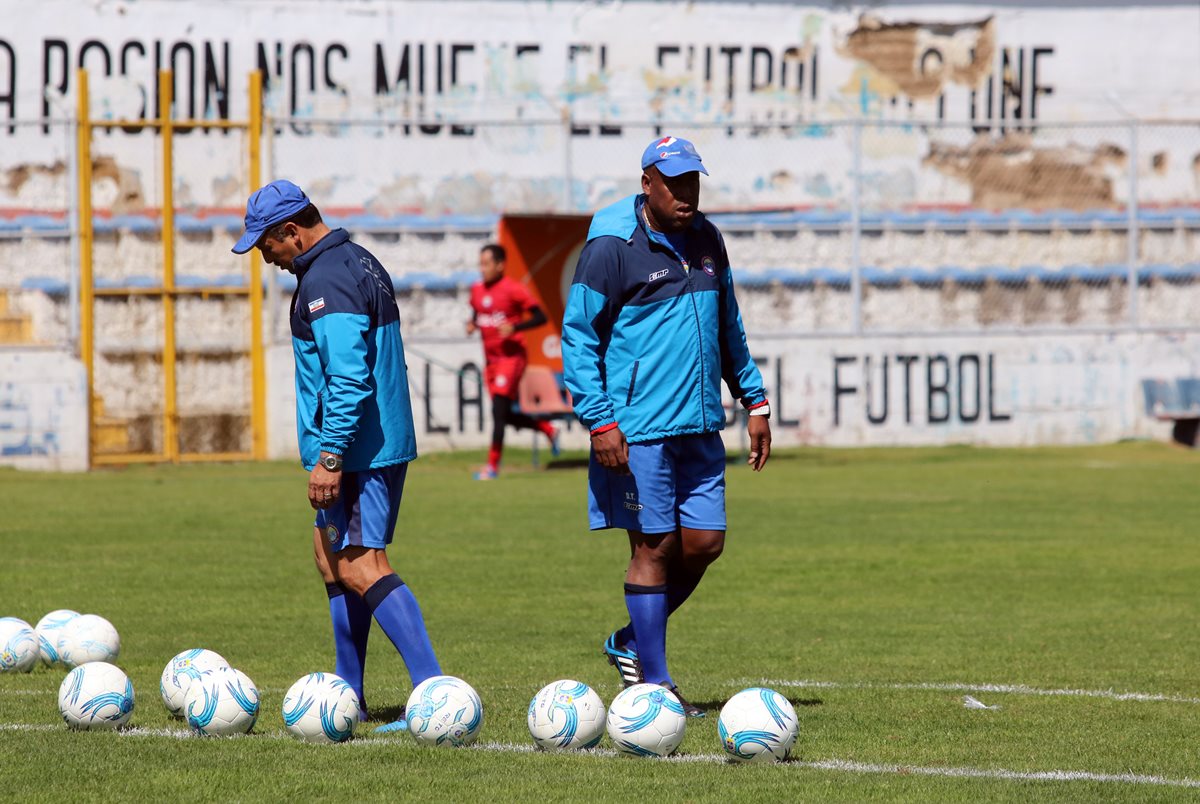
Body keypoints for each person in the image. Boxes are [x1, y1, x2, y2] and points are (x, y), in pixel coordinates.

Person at [561, 136, 772, 717]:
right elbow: (578, 338)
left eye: (693, 182)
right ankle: (655, 686)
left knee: (705, 544)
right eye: (674, 184)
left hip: (701, 423)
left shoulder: (707, 238)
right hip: (638, 431)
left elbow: (728, 323)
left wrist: (754, 401)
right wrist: (600, 420)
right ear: (646, 182)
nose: (686, 194)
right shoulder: (610, 248)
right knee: (653, 548)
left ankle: (629, 640)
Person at [232, 179, 441, 732]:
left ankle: (435, 693)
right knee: (330, 558)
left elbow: (348, 378)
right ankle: (350, 693)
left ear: (291, 232)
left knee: (362, 564)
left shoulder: (325, 279)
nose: (264, 257)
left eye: (265, 245)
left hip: (359, 450)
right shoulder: (355, 260)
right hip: (366, 443)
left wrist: (330, 456)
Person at [466, 243, 559, 480]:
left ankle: (492, 466)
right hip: (491, 361)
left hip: (511, 357)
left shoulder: (514, 289)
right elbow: (477, 314)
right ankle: (547, 428)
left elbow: (540, 316)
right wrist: (472, 324)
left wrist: (515, 327)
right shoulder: (477, 290)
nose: (482, 269)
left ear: (500, 265)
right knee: (503, 414)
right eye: (481, 263)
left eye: (487, 264)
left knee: (498, 411)